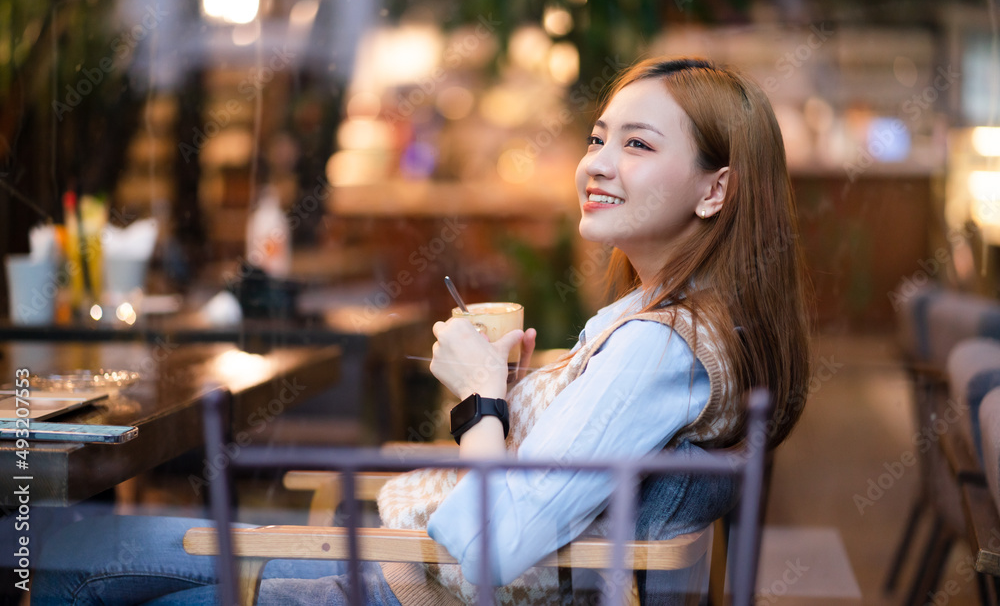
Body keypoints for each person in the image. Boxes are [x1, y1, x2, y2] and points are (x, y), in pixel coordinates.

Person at [32, 56, 809, 605]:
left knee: (47, 551)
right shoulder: (664, 324)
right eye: (598, 137)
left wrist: (480, 399)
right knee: (69, 540)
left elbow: (494, 546)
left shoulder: (661, 346)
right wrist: (506, 392)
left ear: (716, 189)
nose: (597, 162)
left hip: (397, 586)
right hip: (394, 571)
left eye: (637, 144)